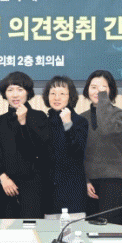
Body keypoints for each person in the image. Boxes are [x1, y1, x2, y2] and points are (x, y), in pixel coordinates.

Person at [0, 72, 49, 219]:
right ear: (5, 94)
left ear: (28, 92)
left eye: (20, 90)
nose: (15, 95)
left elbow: (39, 152)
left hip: (33, 189)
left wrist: (23, 123)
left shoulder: (40, 117)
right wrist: (3, 178)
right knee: (4, 231)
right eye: (10, 90)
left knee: (32, 229)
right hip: (6, 187)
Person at [80, 70, 122, 224]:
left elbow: (106, 128)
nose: (98, 91)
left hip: (114, 181)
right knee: (90, 229)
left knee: (111, 229)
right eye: (94, 87)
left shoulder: (120, 115)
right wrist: (85, 180)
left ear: (111, 90)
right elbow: (78, 153)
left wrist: (103, 99)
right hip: (90, 184)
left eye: (104, 87)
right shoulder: (82, 118)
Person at [42, 76, 88, 215]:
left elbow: (78, 151)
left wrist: (68, 124)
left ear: (70, 96)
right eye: (53, 93)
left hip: (72, 192)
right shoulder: (43, 122)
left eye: (62, 93)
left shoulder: (80, 121)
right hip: (48, 193)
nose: (57, 98)